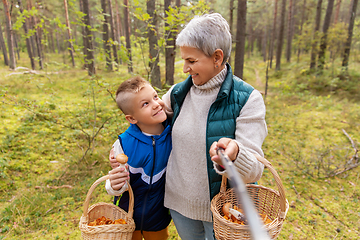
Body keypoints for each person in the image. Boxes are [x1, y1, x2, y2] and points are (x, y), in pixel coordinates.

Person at [160, 13, 268, 239]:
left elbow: (255, 168)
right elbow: (147, 122)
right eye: (184, 60)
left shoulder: (247, 99)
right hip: (180, 207)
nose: (184, 69)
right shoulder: (179, 93)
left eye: (191, 61)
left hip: (225, 211)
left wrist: (236, 153)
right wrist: (120, 147)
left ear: (217, 57)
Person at [106, 76, 172, 240]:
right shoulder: (124, 145)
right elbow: (117, 181)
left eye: (155, 97)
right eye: (145, 104)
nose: (156, 104)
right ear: (132, 118)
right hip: (127, 217)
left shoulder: (173, 134)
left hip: (158, 216)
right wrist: (112, 185)